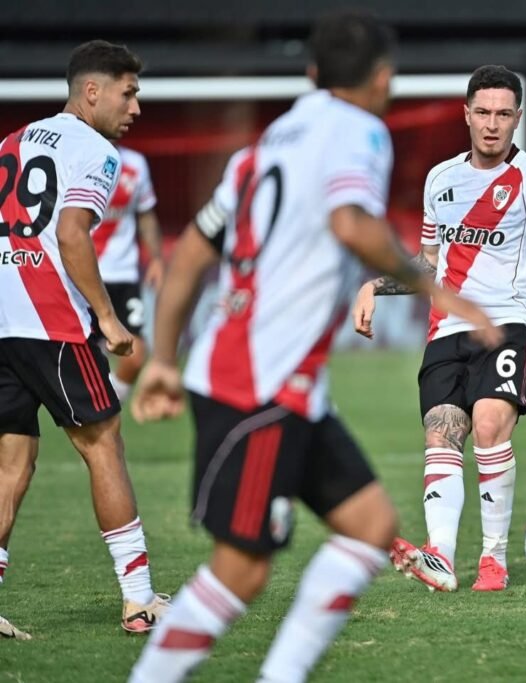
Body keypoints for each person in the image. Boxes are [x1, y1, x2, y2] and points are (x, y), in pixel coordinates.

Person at [128, 12, 499, 682]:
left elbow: (191, 255)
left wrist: (161, 357)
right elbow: (350, 222)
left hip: (282, 384)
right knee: (241, 571)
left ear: (311, 73)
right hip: (260, 385)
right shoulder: (359, 131)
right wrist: (438, 291)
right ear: (382, 78)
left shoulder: (265, 145)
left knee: (371, 525)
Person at [352, 65, 526, 592]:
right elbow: (428, 262)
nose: (492, 124)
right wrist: (375, 286)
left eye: (503, 114)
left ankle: (493, 559)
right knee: (442, 431)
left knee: (488, 425)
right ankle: (440, 555)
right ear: (466, 114)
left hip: (507, 325)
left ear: (517, 118)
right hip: (446, 330)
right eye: (483, 112)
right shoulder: (441, 178)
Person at [0, 40, 168, 639]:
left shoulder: (13, 141)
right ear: (91, 91)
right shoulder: (95, 150)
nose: (136, 108)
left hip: (3, 318)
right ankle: (139, 600)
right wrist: (107, 317)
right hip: (51, 321)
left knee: (12, 461)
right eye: (128, 93)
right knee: (104, 444)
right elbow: (72, 234)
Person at [95, 146, 164, 401]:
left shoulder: (136, 163)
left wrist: (156, 259)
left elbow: (146, 215)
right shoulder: (73, 157)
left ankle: (110, 402)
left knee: (136, 356)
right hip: (84, 277)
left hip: (124, 275)